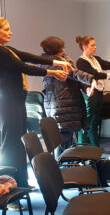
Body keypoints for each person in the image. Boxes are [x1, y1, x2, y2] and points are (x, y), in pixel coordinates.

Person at [0, 18, 69, 193]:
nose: (11, 32)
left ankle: (21, 183)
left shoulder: (7, 49)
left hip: (16, 100)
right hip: (9, 102)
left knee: (19, 142)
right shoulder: (1, 52)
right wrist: (52, 71)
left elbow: (29, 57)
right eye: (7, 29)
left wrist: (56, 61)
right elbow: (23, 67)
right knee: (11, 144)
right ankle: (12, 187)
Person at [40, 36, 96, 157]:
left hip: (66, 103)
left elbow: (74, 77)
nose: (64, 49)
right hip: (61, 105)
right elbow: (74, 73)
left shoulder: (63, 60)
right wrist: (90, 79)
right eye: (62, 47)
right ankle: (62, 171)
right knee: (63, 143)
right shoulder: (50, 64)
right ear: (57, 49)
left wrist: (85, 87)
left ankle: (68, 168)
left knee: (69, 141)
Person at [76, 35, 110, 146]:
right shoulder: (81, 62)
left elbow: (106, 64)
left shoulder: (95, 59)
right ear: (85, 47)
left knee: (95, 121)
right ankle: (83, 148)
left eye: (95, 45)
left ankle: (95, 148)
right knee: (89, 122)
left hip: (99, 92)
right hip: (90, 93)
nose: (95, 47)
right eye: (92, 45)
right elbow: (94, 74)